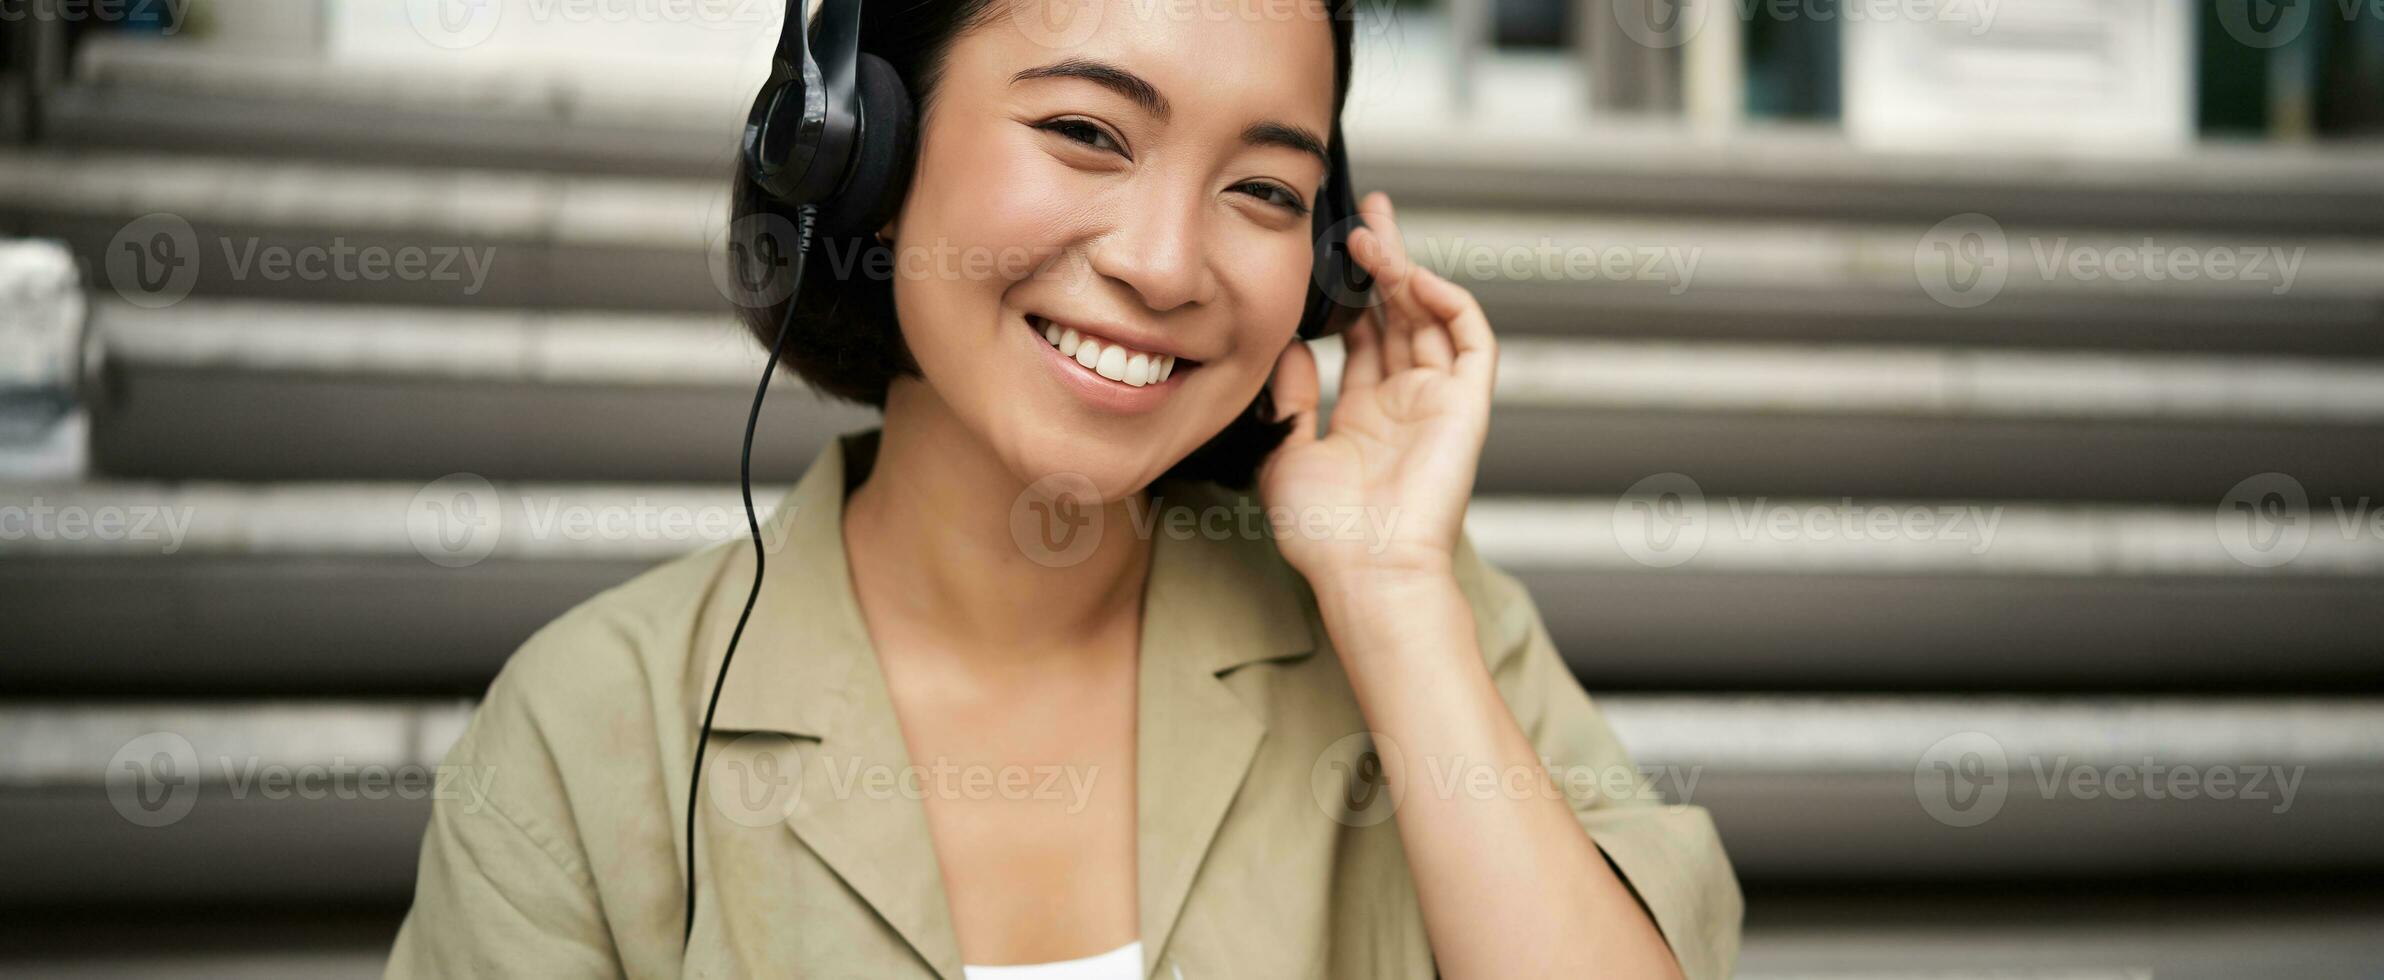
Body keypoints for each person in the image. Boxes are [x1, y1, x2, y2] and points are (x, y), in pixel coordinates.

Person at [384, 1, 1741, 976]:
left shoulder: (1430, 632)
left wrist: (1391, 594)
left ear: (1329, 262)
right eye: (1089, 130)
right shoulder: (587, 733)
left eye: (1266, 190)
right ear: (862, 156)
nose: (1164, 264)